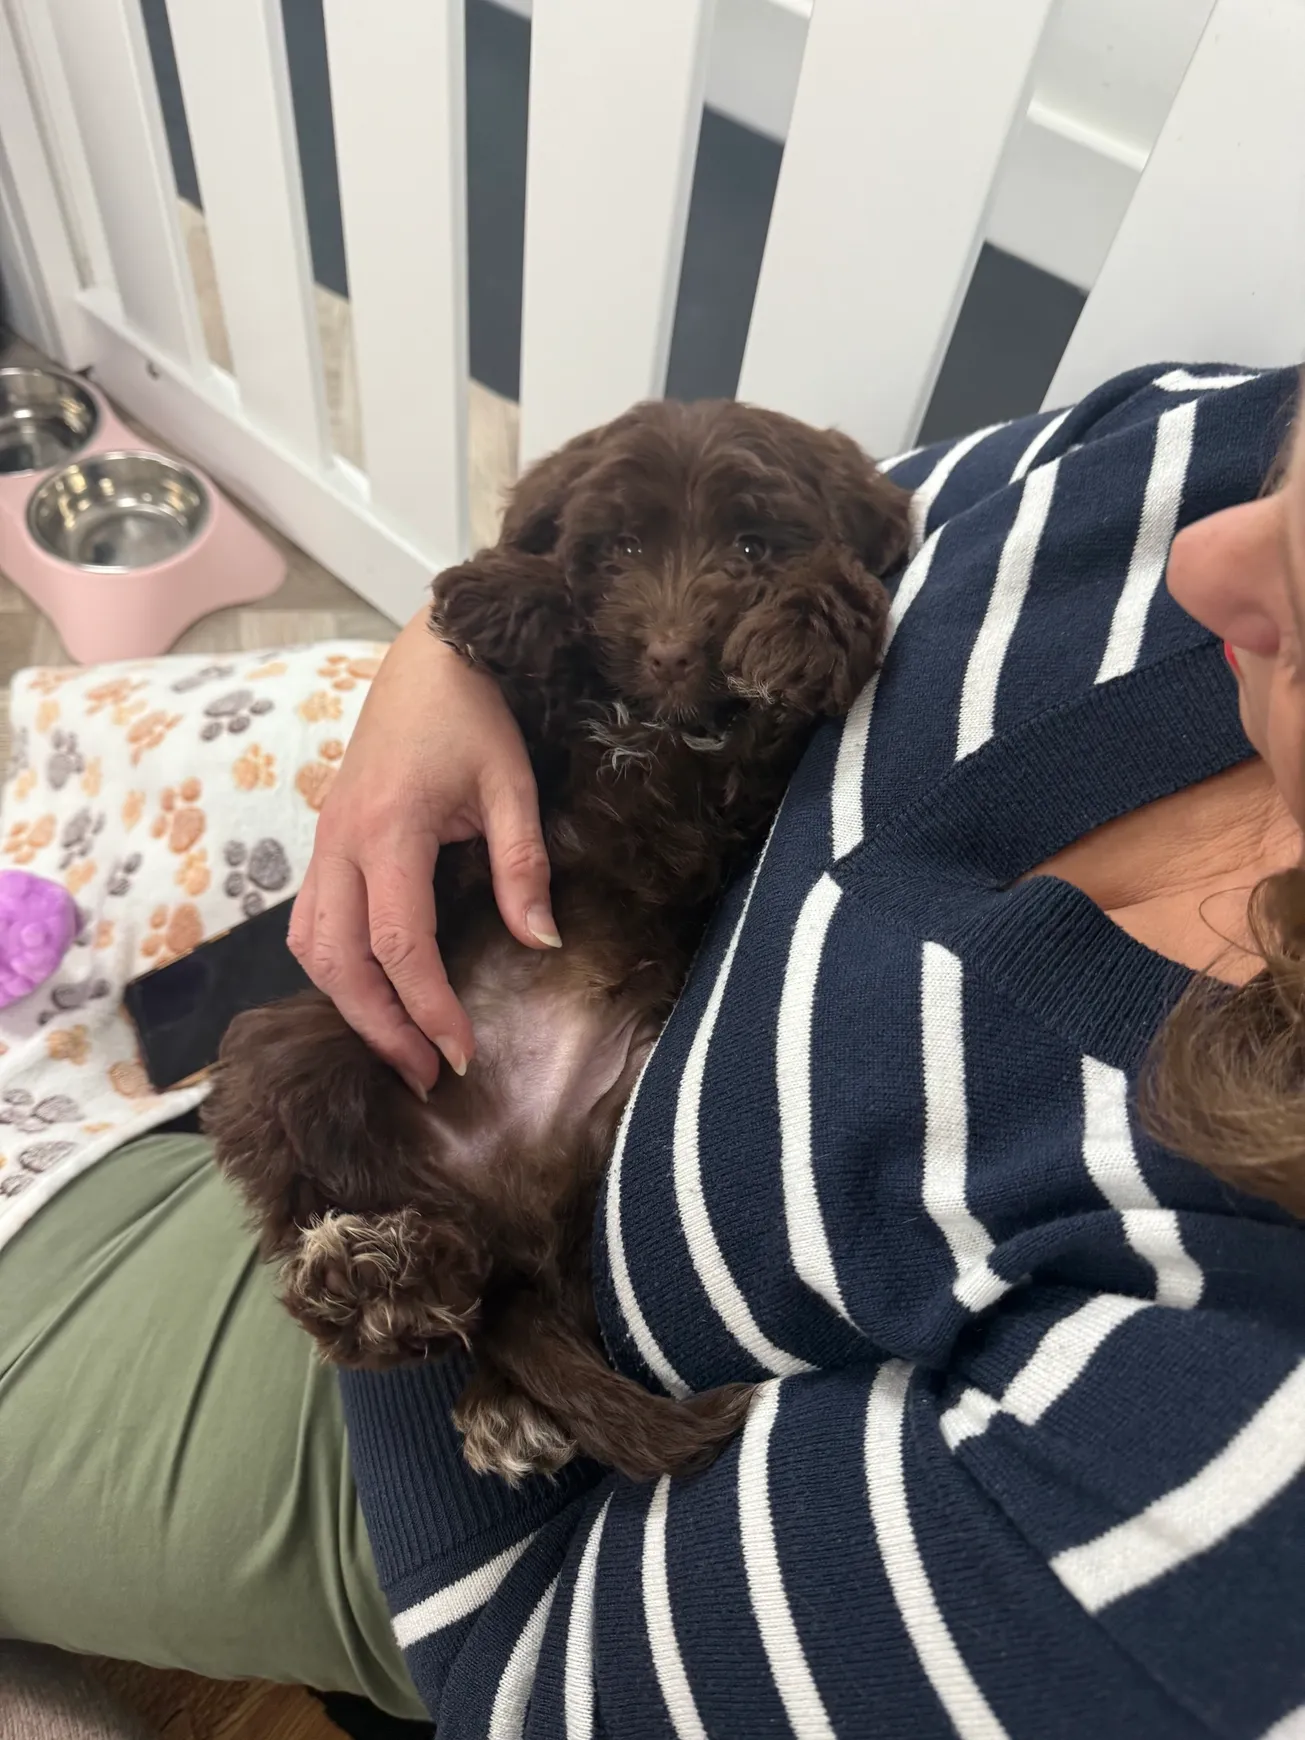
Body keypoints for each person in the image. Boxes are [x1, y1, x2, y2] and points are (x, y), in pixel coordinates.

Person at [2, 360, 1304, 1737]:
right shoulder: (1199, 450)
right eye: (1287, 482)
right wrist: (439, 665)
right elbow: (888, 506)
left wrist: (418, 1275)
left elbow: (531, 1674)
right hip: (460, 959)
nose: (1208, 549)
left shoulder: (1214, 1444)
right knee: (178, 953)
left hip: (440, 1406)